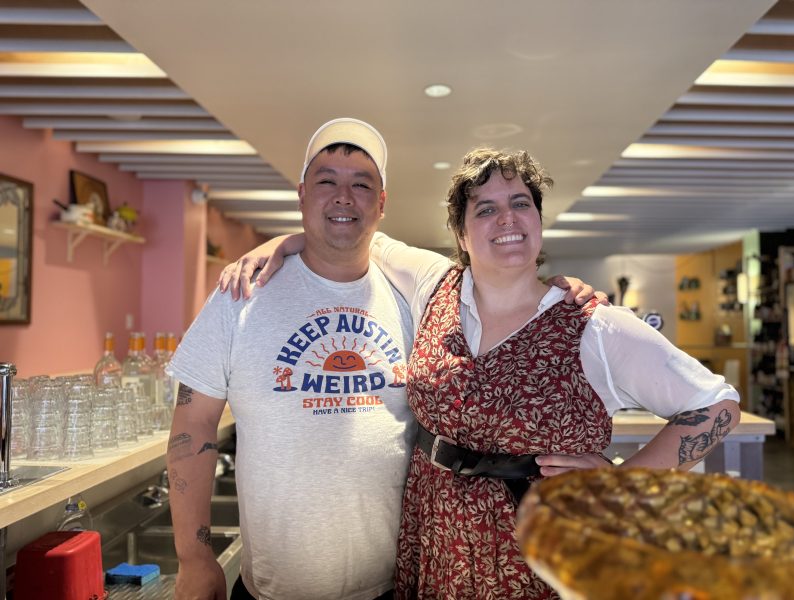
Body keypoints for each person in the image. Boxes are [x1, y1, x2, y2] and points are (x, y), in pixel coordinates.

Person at [222, 147, 740, 599]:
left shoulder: (597, 326)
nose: (506, 219)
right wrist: (286, 242)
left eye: (521, 204)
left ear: (539, 220)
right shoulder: (436, 288)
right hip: (433, 542)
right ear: (461, 234)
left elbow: (716, 404)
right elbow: (359, 235)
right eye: (485, 209)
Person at [167, 118, 599, 600]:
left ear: (382, 203)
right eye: (326, 181)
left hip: (398, 584)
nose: (343, 197)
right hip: (271, 590)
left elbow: (505, 282)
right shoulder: (241, 295)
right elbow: (193, 427)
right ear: (301, 194)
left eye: (361, 184)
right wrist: (194, 557)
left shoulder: (422, 296)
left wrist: (562, 292)